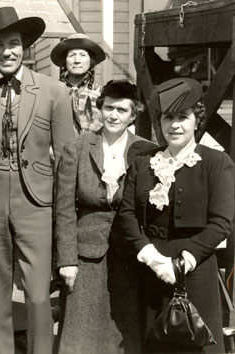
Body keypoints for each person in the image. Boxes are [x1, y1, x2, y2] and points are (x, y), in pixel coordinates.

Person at [0, 6, 74, 354]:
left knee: (38, 296)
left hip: (37, 204)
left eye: (14, 44)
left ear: (24, 47)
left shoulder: (54, 92)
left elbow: (67, 160)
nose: (7, 52)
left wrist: (64, 215)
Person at [119, 78, 234, 353]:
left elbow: (221, 222)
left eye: (183, 117)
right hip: (153, 270)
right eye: (168, 118)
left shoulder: (216, 163)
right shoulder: (143, 163)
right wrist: (151, 256)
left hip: (196, 272)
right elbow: (127, 214)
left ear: (197, 120)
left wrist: (184, 263)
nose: (174, 125)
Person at [55, 80, 156, 354]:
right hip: (86, 256)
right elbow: (63, 209)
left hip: (129, 258)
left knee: (123, 332)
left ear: (133, 115)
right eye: (109, 108)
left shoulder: (147, 151)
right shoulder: (76, 148)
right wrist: (66, 260)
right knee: (81, 332)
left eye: (122, 110)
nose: (114, 115)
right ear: (99, 108)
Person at [51, 33, 106, 134]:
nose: (77, 61)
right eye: (72, 55)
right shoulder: (53, 93)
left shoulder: (101, 94)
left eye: (83, 55)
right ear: (65, 61)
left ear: (91, 61)